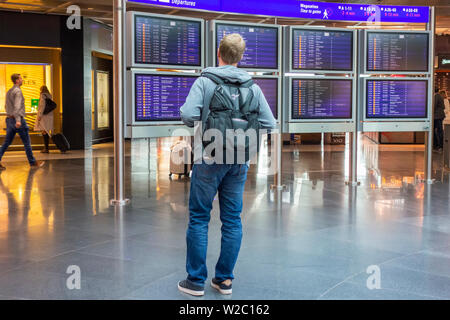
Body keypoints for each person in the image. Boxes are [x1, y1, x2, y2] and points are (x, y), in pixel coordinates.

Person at [177, 33, 277, 296]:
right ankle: (224, 281)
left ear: (218, 54)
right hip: (238, 161)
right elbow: (270, 123)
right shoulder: (253, 87)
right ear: (240, 57)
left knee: (199, 217)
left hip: (208, 157)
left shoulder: (205, 82)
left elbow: (188, 114)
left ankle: (196, 281)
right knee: (232, 220)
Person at [0, 74, 44, 170]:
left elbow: (6, 106)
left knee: (6, 142)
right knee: (27, 142)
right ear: (17, 81)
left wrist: (11, 117)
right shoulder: (18, 91)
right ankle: (32, 162)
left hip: (9, 119)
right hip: (18, 120)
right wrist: (18, 120)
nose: (22, 80)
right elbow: (17, 107)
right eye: (20, 78)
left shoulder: (9, 91)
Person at [34, 86, 54, 153]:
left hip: (44, 116)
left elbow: (42, 106)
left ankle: (46, 148)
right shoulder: (49, 96)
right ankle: (46, 148)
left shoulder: (43, 96)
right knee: (46, 131)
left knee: (44, 132)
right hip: (49, 116)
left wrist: (39, 115)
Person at [434, 87, 446, 152]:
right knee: (439, 131)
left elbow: (434, 106)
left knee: (438, 131)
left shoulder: (436, 96)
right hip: (440, 116)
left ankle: (439, 146)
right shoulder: (440, 96)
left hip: (437, 116)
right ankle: (439, 145)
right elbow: (443, 107)